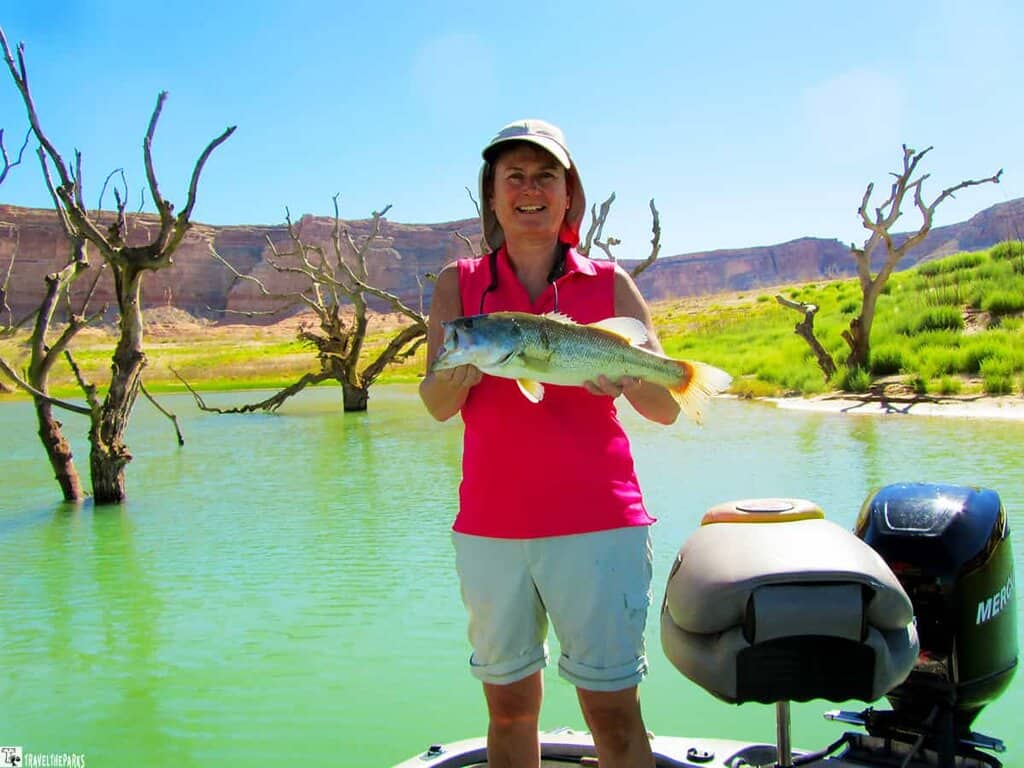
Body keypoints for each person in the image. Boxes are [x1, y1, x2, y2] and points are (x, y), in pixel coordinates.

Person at [419, 118, 679, 768]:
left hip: (599, 525)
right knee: (508, 715)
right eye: (515, 176)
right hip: (490, 530)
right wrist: (466, 365)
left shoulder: (612, 284)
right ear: (494, 194)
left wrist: (623, 380)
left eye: (546, 177)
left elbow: (667, 407)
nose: (529, 189)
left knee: (614, 720)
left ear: (569, 196)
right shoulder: (460, 286)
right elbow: (435, 404)